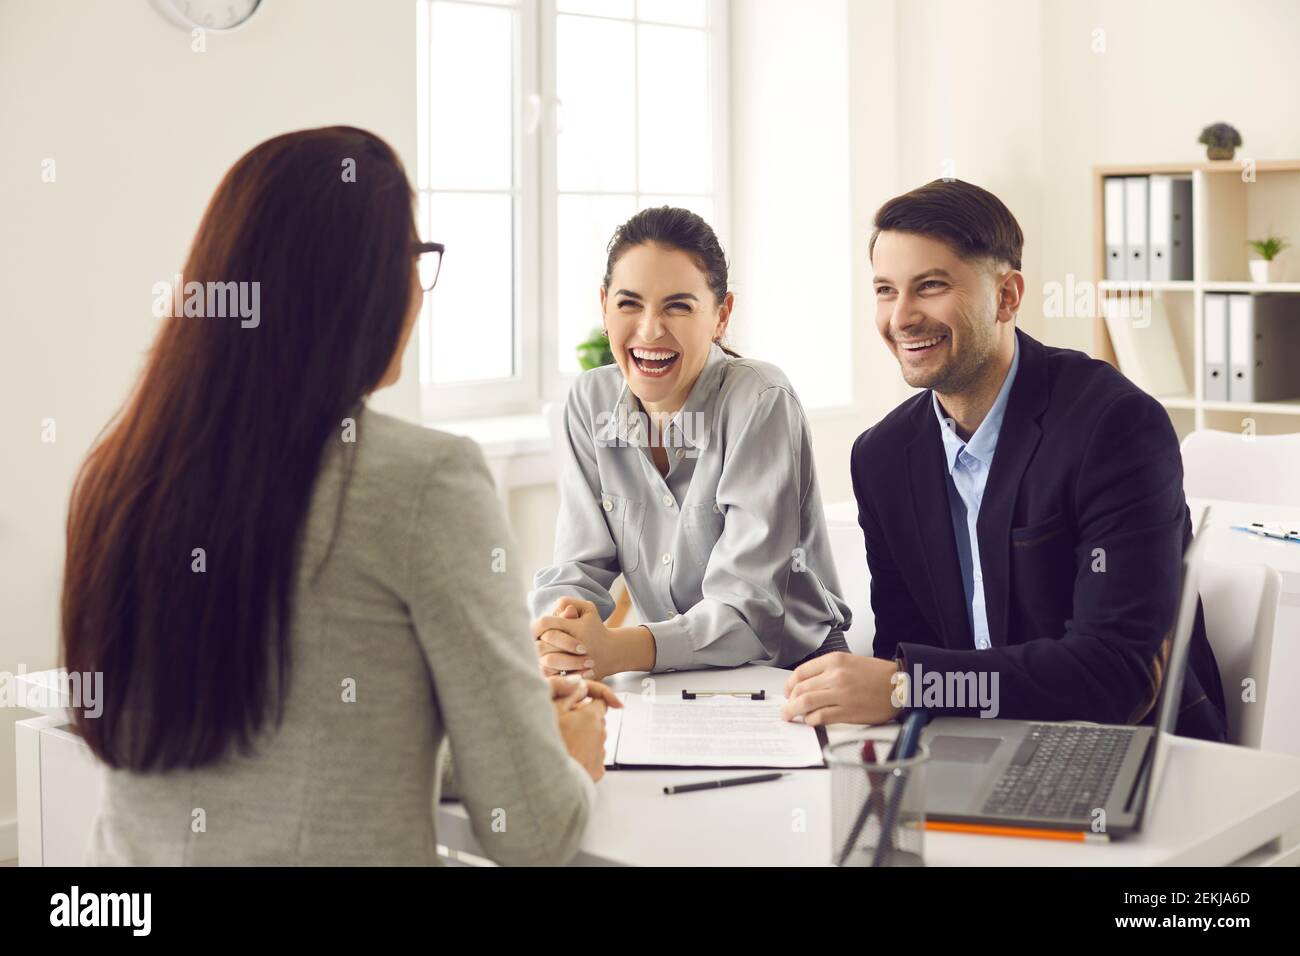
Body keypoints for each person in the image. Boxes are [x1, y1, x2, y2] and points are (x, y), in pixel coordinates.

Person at [63, 126, 615, 866]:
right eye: (413, 259)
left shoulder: (119, 473)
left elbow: (288, 740)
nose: (419, 289)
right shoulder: (424, 480)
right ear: (364, 285)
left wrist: (505, 727)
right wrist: (570, 755)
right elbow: (533, 830)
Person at [783, 179, 1227, 741]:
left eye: (931, 286)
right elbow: (906, 642)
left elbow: (1117, 675)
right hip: (973, 742)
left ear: (1008, 296)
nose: (902, 317)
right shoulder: (882, 457)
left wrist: (910, 687)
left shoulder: (1114, 427)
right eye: (885, 291)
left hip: (1139, 753)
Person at [531, 206, 851, 679]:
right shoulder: (590, 400)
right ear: (604, 307)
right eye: (629, 303)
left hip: (792, 672)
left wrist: (617, 650)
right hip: (675, 672)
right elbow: (580, 566)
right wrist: (562, 631)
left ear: (721, 316)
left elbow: (748, 611)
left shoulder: (761, 400)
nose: (650, 329)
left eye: (678, 306)